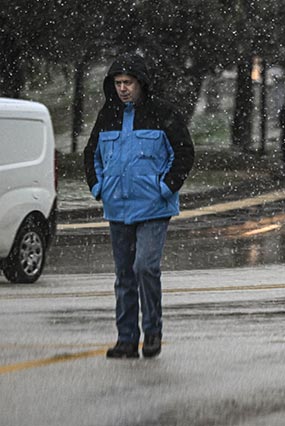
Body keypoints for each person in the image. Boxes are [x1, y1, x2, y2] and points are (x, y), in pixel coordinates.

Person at [83, 53, 195, 358]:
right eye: (118, 83)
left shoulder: (163, 113)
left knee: (145, 267)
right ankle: (127, 339)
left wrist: (164, 187)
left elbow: (184, 153)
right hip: (117, 208)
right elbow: (91, 154)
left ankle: (153, 333)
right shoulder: (107, 115)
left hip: (154, 208)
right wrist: (98, 188)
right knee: (124, 276)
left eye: (128, 82)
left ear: (141, 83)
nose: (122, 88)